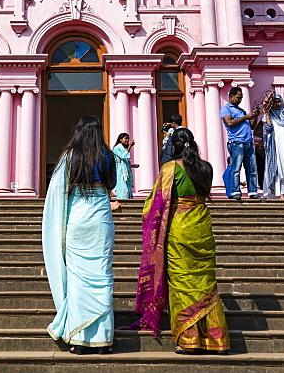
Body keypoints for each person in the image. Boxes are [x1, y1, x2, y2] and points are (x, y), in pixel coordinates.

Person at [123, 127, 229, 355]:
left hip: (179, 228)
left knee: (182, 284)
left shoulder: (170, 168)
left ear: (174, 146)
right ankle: (215, 339)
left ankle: (189, 339)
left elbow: (155, 203)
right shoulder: (206, 168)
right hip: (202, 225)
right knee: (206, 284)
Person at [42, 115, 117, 355]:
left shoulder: (70, 156)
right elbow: (112, 184)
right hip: (101, 216)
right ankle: (103, 340)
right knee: (102, 274)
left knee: (77, 279)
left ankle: (79, 339)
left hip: (78, 216)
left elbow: (58, 189)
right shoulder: (108, 156)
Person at [220, 87, 260, 199]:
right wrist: (246, 117)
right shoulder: (226, 109)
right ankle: (235, 191)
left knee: (252, 169)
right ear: (231, 96)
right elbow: (230, 123)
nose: (240, 100)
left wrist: (255, 116)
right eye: (238, 98)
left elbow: (252, 126)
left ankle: (253, 192)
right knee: (236, 168)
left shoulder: (241, 111)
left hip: (248, 142)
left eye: (241, 98)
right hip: (236, 142)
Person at [112, 133, 139, 204]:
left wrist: (132, 166)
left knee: (128, 187)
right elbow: (123, 156)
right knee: (122, 186)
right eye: (125, 138)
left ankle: (129, 202)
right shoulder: (117, 148)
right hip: (120, 172)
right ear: (120, 139)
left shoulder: (124, 149)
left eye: (128, 138)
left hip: (126, 172)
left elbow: (125, 162)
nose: (127, 140)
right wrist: (130, 146)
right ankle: (122, 202)